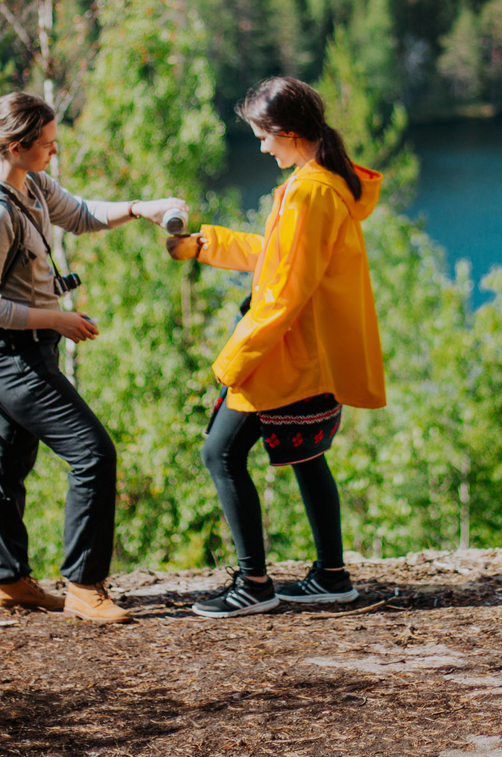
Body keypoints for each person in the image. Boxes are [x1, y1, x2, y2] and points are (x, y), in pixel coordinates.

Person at [0, 92, 187, 623]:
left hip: (29, 350)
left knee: (7, 465)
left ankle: (11, 580)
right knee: (93, 453)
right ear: (15, 147)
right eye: (45, 145)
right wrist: (58, 319)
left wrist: (140, 209)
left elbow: (83, 215)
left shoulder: (33, 186)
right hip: (9, 356)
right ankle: (85, 587)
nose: (53, 151)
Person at [167, 77, 387, 618]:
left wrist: (234, 359)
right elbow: (281, 257)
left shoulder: (310, 192)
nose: (262, 148)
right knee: (309, 457)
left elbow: (285, 291)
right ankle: (332, 576)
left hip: (288, 350)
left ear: (289, 134)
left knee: (219, 453)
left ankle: (254, 584)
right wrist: (203, 245)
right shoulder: (323, 182)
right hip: (312, 351)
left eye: (264, 137)